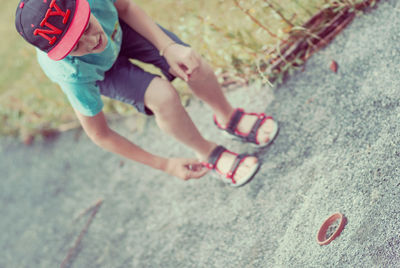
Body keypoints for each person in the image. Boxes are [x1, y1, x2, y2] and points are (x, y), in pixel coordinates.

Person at [15, 0, 278, 187]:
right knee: (163, 97)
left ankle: (228, 116)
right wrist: (165, 164)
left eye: (84, 27)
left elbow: (127, 8)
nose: (89, 42)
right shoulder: (72, 74)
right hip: (104, 71)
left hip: (120, 28)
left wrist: (167, 48)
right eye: (73, 45)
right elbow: (99, 134)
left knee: (189, 62)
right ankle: (206, 151)